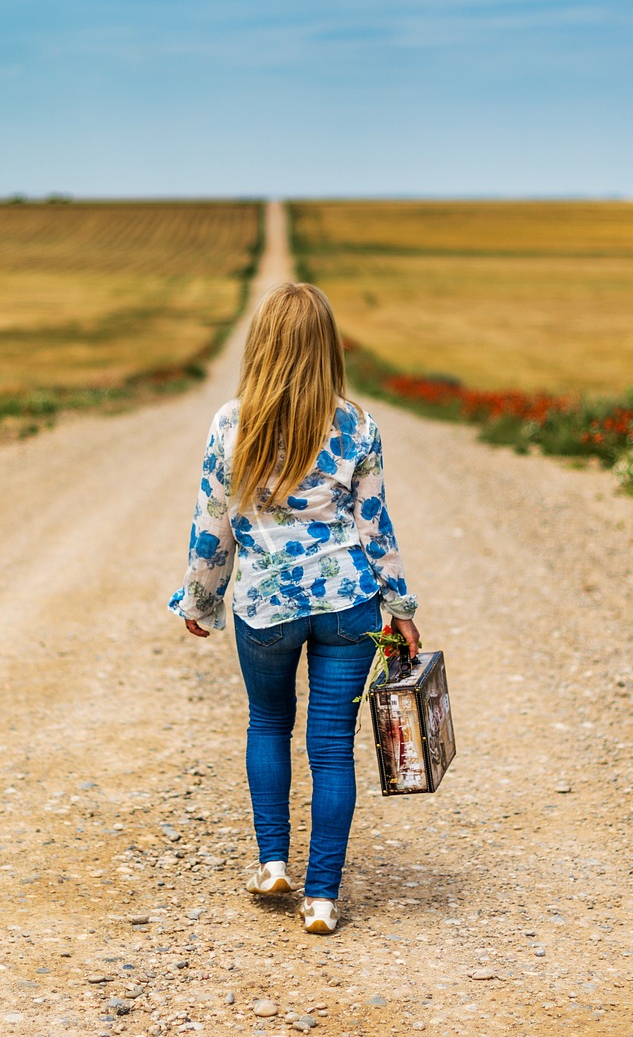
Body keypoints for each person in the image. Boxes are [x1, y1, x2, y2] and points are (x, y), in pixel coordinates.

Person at [168, 282, 419, 936]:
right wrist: (401, 605)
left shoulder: (233, 422)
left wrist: (202, 597)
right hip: (347, 605)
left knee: (268, 723)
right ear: (326, 350)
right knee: (333, 750)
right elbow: (375, 526)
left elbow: (211, 525)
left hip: (266, 607)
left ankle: (274, 861)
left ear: (264, 345)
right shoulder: (357, 424)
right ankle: (322, 899)